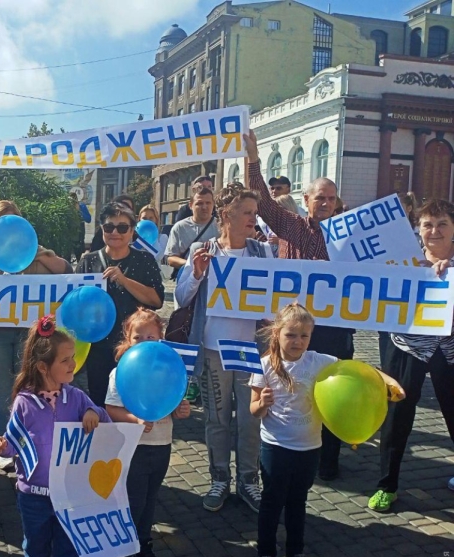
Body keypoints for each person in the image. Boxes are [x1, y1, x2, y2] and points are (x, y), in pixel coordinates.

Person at [250, 304, 403, 557]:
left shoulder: (320, 361)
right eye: (291, 335)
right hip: (276, 448)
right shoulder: (264, 365)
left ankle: (295, 556)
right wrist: (263, 404)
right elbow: (253, 409)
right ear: (277, 333)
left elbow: (359, 370)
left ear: (311, 336)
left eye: (304, 336)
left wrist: (389, 380)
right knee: (271, 505)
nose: (298, 342)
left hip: (309, 448)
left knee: (298, 504)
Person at [245, 130, 354, 481]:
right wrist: (253, 159)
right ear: (306, 199)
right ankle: (287, 446)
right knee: (292, 387)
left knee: (333, 390)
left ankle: (330, 459)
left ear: (337, 203)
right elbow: (261, 201)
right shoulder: (291, 226)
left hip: (334, 328)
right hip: (293, 328)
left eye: (331, 198)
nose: (325, 203)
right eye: (319, 197)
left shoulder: (350, 235)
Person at [0, 316, 111, 557]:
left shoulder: (77, 398)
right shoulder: (24, 402)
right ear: (43, 366)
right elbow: (15, 442)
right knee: (35, 552)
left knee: (70, 553)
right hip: (33, 495)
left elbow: (101, 416)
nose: (73, 364)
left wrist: (94, 414)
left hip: (69, 494)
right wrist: (2, 447)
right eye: (66, 360)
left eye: (73, 358)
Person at [175, 184, 271, 513]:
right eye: (247, 213)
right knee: (217, 419)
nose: (253, 219)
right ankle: (219, 478)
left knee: (250, 419)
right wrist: (198, 274)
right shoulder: (204, 249)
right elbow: (182, 297)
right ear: (226, 215)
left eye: (254, 213)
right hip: (214, 348)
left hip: (249, 350)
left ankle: (248, 480)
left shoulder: (262, 252)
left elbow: (274, 301)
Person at [0, 200, 72, 471]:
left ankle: (28, 441)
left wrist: (36, 254)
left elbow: (66, 271)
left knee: (27, 386)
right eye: (1, 219)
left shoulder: (33, 244)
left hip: (28, 330)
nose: (8, 225)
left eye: (12, 219)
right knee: (2, 386)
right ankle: (6, 444)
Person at [369, 199, 454, 512]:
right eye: (428, 225)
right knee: (397, 416)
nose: (435, 231)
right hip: (407, 346)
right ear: (418, 230)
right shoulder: (403, 262)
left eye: (442, 224)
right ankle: (386, 486)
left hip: (449, 349)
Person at [105, 309, 191, 557]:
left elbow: (174, 400)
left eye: (150, 336)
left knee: (150, 499)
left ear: (160, 338)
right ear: (127, 339)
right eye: (137, 337)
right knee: (132, 501)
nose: (143, 341)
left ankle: (143, 545)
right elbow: (110, 409)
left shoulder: (168, 366)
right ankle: (121, 554)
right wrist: (135, 419)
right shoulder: (120, 371)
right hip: (133, 447)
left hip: (161, 444)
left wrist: (181, 408)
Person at [77, 203, 165, 406]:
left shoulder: (144, 260)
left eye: (122, 227)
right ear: (102, 229)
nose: (115, 232)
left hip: (134, 345)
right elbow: (76, 302)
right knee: (100, 402)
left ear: (132, 231)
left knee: (132, 401)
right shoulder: (88, 261)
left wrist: (124, 280)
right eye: (109, 227)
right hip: (98, 347)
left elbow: (157, 300)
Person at [164, 187, 219, 287]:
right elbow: (171, 258)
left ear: (213, 205)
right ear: (191, 205)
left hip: (214, 280)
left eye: (208, 203)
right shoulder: (180, 227)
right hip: (186, 279)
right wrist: (193, 265)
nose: (204, 207)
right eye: (199, 203)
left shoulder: (221, 227)